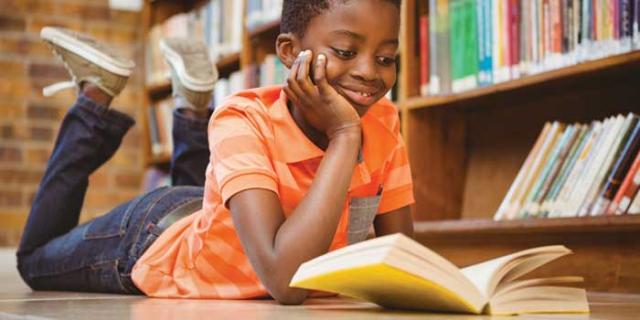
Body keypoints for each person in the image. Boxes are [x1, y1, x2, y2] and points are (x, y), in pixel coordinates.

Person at [17, 0, 414, 305]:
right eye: (346, 52)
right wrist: (345, 135)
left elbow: (405, 262)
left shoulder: (384, 121)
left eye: (385, 58)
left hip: (225, 215)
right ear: (291, 52)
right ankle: (93, 102)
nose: (370, 72)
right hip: (154, 237)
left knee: (213, 213)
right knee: (34, 261)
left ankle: (191, 107)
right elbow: (286, 281)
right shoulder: (242, 119)